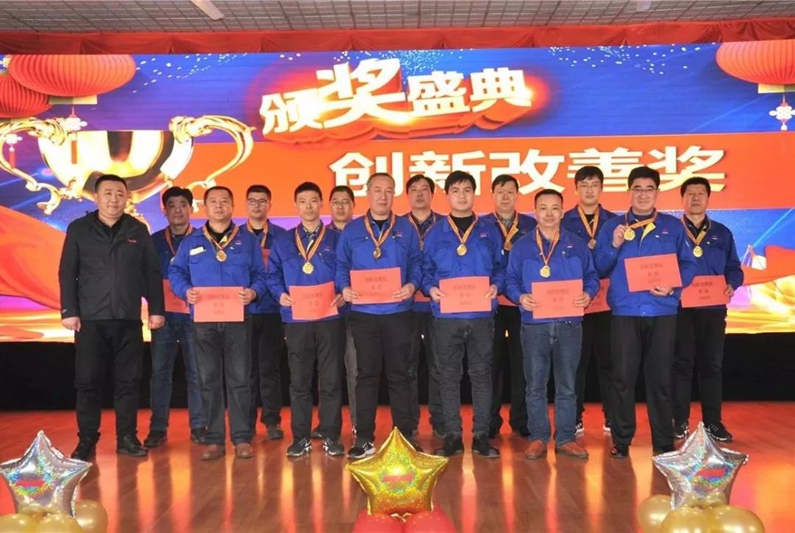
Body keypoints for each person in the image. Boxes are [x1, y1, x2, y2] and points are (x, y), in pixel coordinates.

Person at [59, 174, 165, 461]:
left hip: (128, 319)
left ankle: (127, 438)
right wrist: (69, 310)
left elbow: (151, 272)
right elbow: (67, 272)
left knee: (129, 381)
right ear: (96, 197)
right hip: (90, 320)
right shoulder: (79, 229)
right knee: (88, 382)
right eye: (108, 193)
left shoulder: (137, 229)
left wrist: (156, 309)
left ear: (126, 197)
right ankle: (87, 441)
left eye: (120, 193)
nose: (114, 199)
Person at [594, 166, 697, 458]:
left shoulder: (673, 227)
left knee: (660, 378)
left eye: (648, 189)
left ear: (657, 192)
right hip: (625, 311)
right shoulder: (613, 227)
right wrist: (614, 245)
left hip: (662, 311)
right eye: (637, 189)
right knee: (622, 378)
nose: (642, 194)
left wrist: (673, 286)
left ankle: (663, 442)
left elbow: (689, 264)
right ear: (629, 192)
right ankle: (621, 440)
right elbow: (599, 267)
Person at [169, 186, 267, 460]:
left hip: (238, 319)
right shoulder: (191, 240)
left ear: (232, 206)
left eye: (224, 200)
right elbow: (176, 271)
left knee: (239, 379)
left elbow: (261, 274)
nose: (219, 205)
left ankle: (241, 438)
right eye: (213, 201)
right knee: (208, 379)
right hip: (203, 320)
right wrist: (185, 291)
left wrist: (254, 292)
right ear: (205, 207)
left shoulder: (247, 240)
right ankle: (214, 439)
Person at [506, 189, 600, 460]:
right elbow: (510, 279)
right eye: (543, 208)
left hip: (569, 324)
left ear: (562, 211)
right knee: (535, 385)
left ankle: (566, 438)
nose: (549, 214)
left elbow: (592, 277)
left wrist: (588, 294)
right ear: (535, 212)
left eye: (555, 208)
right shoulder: (522, 246)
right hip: (534, 324)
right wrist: (520, 296)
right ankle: (538, 437)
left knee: (567, 385)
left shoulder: (577, 244)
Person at [336, 172, 422, 459]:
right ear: (368, 192)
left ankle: (404, 437)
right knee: (366, 376)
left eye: (388, 191)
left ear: (394, 194)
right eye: (377, 190)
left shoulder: (407, 228)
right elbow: (341, 266)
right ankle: (363, 438)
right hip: (364, 313)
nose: (383, 196)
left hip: (398, 312)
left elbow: (417, 264)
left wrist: (412, 285)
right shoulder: (352, 230)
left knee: (400, 375)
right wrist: (344, 288)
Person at [422, 170, 503, 458]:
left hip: (481, 315)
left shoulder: (489, 230)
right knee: (448, 375)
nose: (461, 196)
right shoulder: (435, 233)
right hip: (447, 316)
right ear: (447, 195)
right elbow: (425, 271)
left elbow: (500, 268)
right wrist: (431, 288)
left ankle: (481, 435)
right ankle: (452, 436)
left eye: (467, 190)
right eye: (455, 190)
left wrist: (496, 285)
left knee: (481, 374)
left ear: (474, 194)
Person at [267, 182, 346, 457]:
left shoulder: (337, 239)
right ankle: (300, 437)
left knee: (331, 380)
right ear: (296, 205)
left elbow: (347, 269)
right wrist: (280, 294)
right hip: (297, 319)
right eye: (303, 201)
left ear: (321, 203)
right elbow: (271, 275)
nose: (309, 206)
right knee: (299, 381)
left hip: (329, 317)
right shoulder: (283, 241)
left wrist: (344, 292)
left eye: (313, 200)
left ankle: (331, 435)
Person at [672, 177, 743, 443]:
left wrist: (731, 283)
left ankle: (713, 422)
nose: (695, 198)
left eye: (700, 193)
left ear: (708, 198)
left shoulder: (722, 233)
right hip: (681, 308)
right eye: (690, 193)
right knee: (681, 364)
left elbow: (734, 267)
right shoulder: (672, 231)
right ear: (682, 198)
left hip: (713, 308)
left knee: (712, 365)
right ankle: (679, 422)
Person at [144, 186, 206, 448]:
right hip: (163, 316)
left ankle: (199, 426)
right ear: (164, 210)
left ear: (191, 208)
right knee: (160, 373)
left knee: (197, 373)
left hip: (195, 315)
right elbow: (144, 278)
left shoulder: (204, 239)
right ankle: (158, 428)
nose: (178, 210)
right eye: (172, 205)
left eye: (183, 205)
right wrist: (155, 307)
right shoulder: (153, 241)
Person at [561, 166, 617, 435]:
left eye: (594, 185)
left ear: (602, 188)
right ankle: (574, 416)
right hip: (575, 301)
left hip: (607, 301)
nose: (589, 190)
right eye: (584, 185)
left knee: (610, 360)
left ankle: (612, 415)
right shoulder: (563, 221)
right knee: (576, 361)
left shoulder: (615, 222)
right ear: (576, 189)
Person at [482, 174, 536, 439]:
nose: (505, 196)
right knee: (491, 363)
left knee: (522, 363)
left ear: (517, 195)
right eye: (500, 192)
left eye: (510, 192)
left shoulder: (531, 225)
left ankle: (521, 419)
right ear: (492, 195)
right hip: (489, 302)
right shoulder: (481, 225)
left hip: (522, 303)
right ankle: (490, 420)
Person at [240, 184, 287, 440]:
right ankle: (245, 424)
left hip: (272, 311)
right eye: (252, 201)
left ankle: (272, 421)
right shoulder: (235, 236)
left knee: (270, 368)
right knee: (245, 371)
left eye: (262, 201)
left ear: (270, 205)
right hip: (241, 311)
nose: (257, 205)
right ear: (246, 204)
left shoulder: (283, 237)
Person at [312, 184, 358, 440]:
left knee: (355, 369)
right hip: (325, 311)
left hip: (356, 311)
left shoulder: (362, 234)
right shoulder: (319, 236)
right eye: (336, 202)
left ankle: (359, 424)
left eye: (345, 202)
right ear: (328, 206)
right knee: (327, 371)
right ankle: (327, 424)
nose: (341, 207)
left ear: (354, 206)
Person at [402, 174, 444, 439]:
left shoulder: (446, 225)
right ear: (407, 195)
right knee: (406, 366)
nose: (419, 194)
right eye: (414, 189)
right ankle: (408, 422)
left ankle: (440, 420)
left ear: (432, 194)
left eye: (425, 189)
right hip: (404, 307)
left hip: (438, 305)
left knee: (439, 365)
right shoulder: (396, 226)